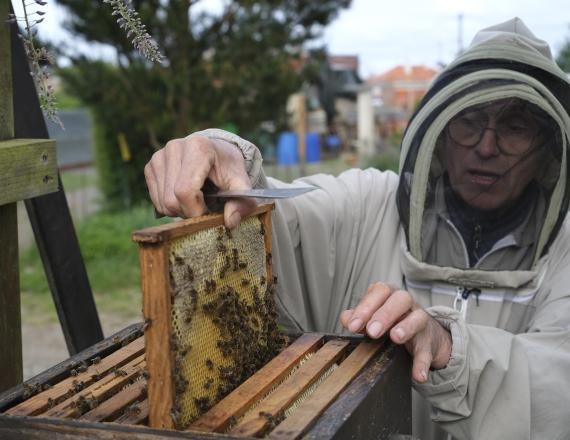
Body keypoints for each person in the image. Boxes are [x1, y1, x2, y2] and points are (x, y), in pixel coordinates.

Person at [144, 18, 570, 440]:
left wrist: (449, 348)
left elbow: (558, 384)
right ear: (440, 130)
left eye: (515, 127)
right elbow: (276, 213)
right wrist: (224, 157)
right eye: (470, 121)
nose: (486, 146)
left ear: (548, 149)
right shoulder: (368, 203)